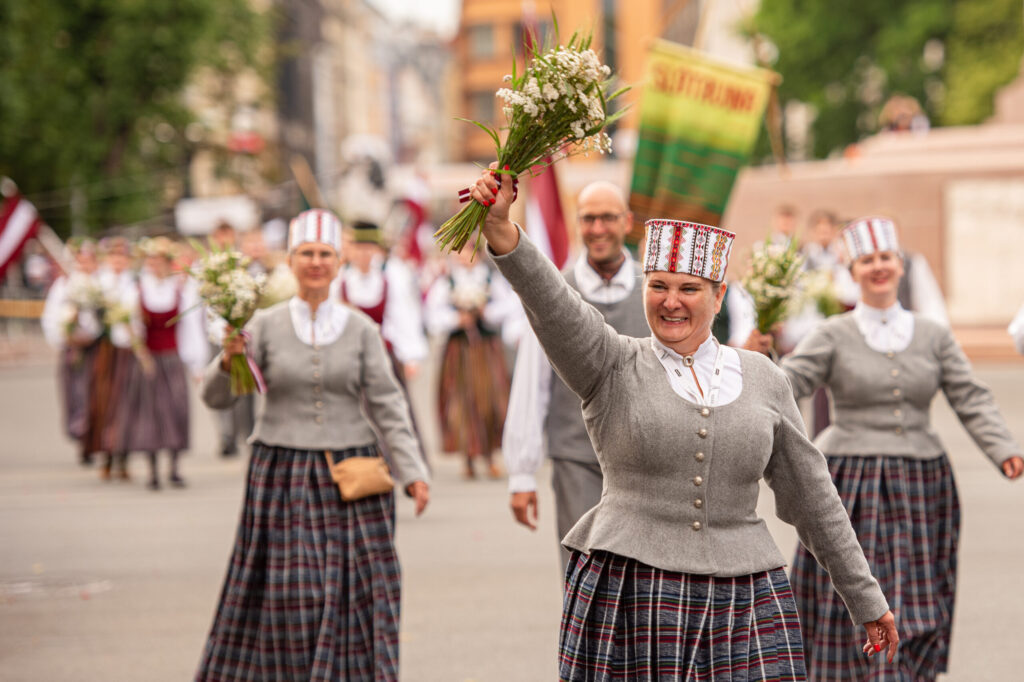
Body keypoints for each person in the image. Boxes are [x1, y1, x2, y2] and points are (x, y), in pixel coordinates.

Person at [467, 166, 898, 679]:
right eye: (657, 286)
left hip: (747, 597)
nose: (670, 301)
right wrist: (500, 229)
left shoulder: (763, 377)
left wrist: (865, 596)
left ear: (719, 296)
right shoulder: (610, 363)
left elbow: (814, 497)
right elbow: (551, 302)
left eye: (688, 288)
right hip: (635, 594)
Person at [780, 216, 1023, 681]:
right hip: (848, 485)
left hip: (922, 483)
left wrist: (1003, 447)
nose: (878, 267)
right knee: (853, 591)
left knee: (916, 591)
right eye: (866, 260)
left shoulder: (933, 334)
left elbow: (969, 394)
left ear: (900, 265)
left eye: (885, 258)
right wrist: (749, 367)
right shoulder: (833, 333)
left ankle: (907, 672)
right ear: (851, 271)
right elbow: (786, 384)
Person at [196, 209, 430, 681]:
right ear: (290, 260)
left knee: (360, 588)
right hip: (281, 472)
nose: (316, 262)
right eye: (307, 253)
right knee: (292, 593)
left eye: (325, 254)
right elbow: (216, 397)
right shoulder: (260, 326)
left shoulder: (362, 329)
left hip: (354, 471)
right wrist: (228, 358)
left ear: (340, 262)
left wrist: (413, 471)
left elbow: (387, 404)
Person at [503, 181, 649, 568]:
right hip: (575, 457)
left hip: (646, 456)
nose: (598, 228)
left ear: (627, 222)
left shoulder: (654, 288)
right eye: (589, 218)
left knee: (643, 574)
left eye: (608, 218)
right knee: (582, 568)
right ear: (577, 223)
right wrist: (521, 473)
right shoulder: (554, 290)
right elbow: (532, 383)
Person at [116, 236, 207, 490]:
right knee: (150, 414)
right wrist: (139, 350)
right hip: (148, 360)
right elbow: (128, 327)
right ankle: (153, 470)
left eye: (159, 261)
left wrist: (195, 364)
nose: (154, 266)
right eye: (151, 261)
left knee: (176, 410)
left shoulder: (181, 290)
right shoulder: (136, 291)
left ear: (168, 263)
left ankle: (174, 467)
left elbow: (190, 329)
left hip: (172, 358)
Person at [425, 244, 516, 479]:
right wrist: (457, 319)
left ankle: (489, 455)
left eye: (470, 251)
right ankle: (467, 457)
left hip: (486, 350)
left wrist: (486, 313)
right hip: (458, 351)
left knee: (490, 399)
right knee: (461, 402)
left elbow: (509, 306)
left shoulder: (490, 278)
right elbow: (432, 315)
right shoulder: (446, 282)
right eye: (461, 252)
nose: (466, 257)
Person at [40, 238, 103, 465]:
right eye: (82, 261)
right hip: (74, 348)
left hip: (97, 348)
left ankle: (97, 438)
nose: (86, 265)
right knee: (77, 394)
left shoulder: (101, 284)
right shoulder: (65, 285)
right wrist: (66, 335)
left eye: (90, 261)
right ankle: (83, 438)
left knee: (98, 395)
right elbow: (52, 317)